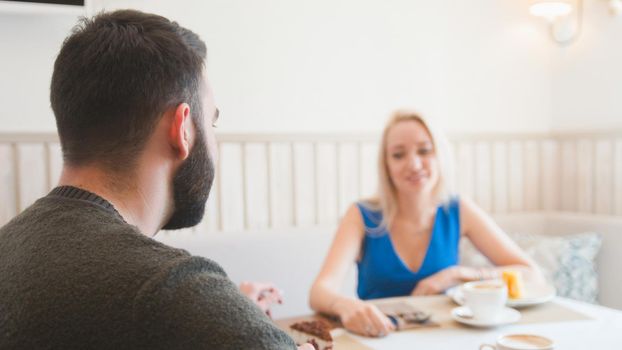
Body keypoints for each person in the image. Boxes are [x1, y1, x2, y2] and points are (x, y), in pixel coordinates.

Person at [0, 10, 312, 350]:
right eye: (213, 123)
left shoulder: (8, 246)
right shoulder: (172, 290)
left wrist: (225, 315)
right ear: (183, 129)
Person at [309, 110, 542, 337]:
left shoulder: (459, 210)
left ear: (440, 156)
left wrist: (457, 274)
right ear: (386, 165)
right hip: (377, 339)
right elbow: (319, 292)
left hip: (445, 339)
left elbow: (530, 274)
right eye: (399, 155)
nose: (414, 164)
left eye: (424, 151)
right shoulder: (361, 215)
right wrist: (344, 304)